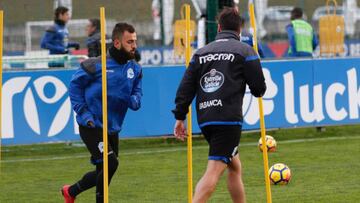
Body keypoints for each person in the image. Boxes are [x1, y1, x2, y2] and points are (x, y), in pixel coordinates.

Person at [172, 8, 266, 203]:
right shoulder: (245, 51)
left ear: (219, 28)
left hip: (206, 119)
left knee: (234, 166)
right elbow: (258, 88)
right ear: (239, 29)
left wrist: (180, 117)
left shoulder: (201, 53)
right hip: (228, 119)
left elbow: (185, 87)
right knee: (214, 170)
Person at [62, 22, 142, 203]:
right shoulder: (94, 65)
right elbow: (74, 87)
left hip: (112, 127)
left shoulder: (135, 69)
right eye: (129, 42)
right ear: (117, 43)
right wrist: (84, 113)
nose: (134, 45)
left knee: (102, 171)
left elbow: (137, 97)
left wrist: (132, 99)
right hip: (92, 125)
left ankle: (71, 192)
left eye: (135, 41)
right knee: (110, 164)